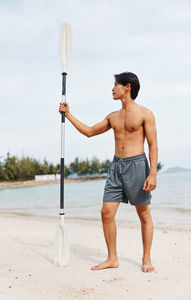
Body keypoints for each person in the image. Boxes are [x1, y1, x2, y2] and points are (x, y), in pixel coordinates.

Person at [59, 72, 158, 272]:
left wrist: (153, 172)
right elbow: (89, 132)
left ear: (127, 87)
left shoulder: (145, 113)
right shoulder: (113, 117)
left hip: (137, 165)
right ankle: (112, 258)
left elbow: (153, 144)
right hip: (116, 167)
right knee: (106, 212)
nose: (112, 88)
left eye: (116, 85)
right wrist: (68, 114)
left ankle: (146, 258)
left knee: (144, 213)